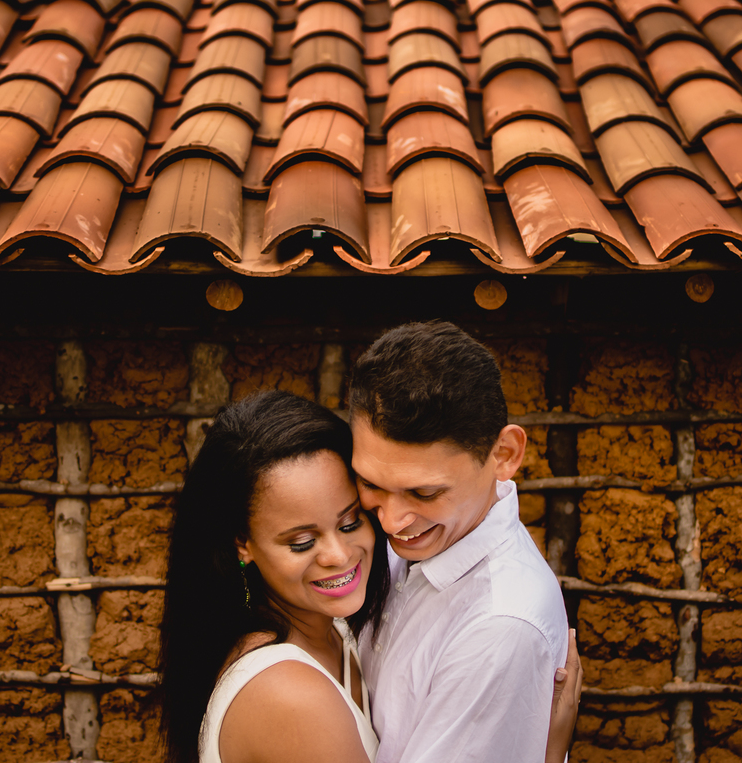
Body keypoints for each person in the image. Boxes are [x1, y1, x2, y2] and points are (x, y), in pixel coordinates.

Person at [158, 389, 581, 763]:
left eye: (350, 522)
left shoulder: (334, 627)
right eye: (302, 542)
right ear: (242, 544)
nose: (339, 556)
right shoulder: (292, 697)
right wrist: (546, 751)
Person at [349, 321, 573, 763]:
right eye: (370, 482)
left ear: (504, 455)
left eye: (425, 493)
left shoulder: (499, 627)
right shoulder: (413, 542)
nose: (392, 520)